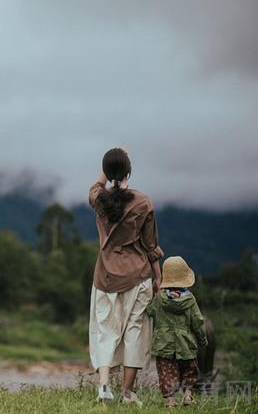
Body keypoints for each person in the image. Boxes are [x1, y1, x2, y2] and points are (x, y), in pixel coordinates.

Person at [88, 147, 163, 405]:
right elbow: (151, 246)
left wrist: (110, 170)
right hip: (138, 275)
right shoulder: (143, 202)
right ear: (130, 171)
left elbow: (97, 185)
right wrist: (158, 278)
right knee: (135, 333)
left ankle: (104, 388)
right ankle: (128, 394)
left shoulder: (99, 199)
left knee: (105, 330)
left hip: (106, 276)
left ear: (108, 174)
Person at [146, 256, 207, 407]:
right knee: (190, 370)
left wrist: (153, 295)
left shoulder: (160, 298)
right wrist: (202, 339)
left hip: (163, 344)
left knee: (167, 372)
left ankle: (171, 401)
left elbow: (150, 311)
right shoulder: (190, 300)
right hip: (185, 344)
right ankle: (187, 395)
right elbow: (197, 321)